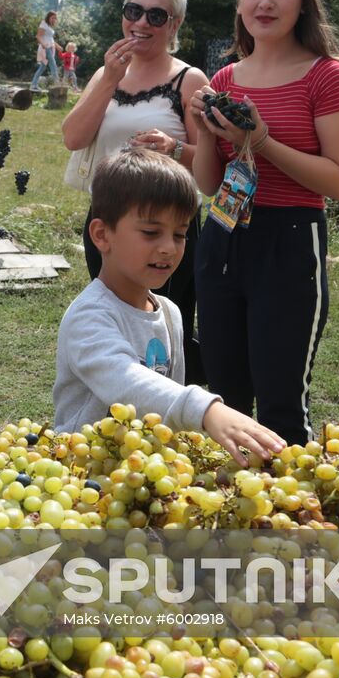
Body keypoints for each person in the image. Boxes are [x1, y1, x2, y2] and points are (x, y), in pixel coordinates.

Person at [189, 0, 339, 445]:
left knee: (282, 402)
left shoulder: (327, 75)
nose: (266, 3)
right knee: (225, 398)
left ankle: (287, 517)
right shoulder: (225, 78)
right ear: (240, 3)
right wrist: (205, 131)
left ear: (303, 1)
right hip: (221, 235)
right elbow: (206, 183)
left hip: (288, 241)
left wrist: (260, 142)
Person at [54, 148, 284, 464]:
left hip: (145, 477)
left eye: (180, 234)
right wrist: (205, 409)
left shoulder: (170, 313)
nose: (168, 248)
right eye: (151, 232)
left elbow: (165, 412)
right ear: (102, 235)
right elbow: (123, 380)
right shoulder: (90, 316)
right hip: (82, 480)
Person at [62, 0, 210, 385]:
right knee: (113, 318)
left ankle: (168, 409)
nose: (141, 23)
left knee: (162, 324)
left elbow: (214, 163)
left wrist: (174, 147)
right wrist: (109, 77)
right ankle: (114, 405)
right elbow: (73, 137)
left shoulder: (189, 80)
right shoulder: (107, 73)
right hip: (109, 220)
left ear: (174, 24)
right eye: (134, 11)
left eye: (156, 16)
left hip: (167, 224)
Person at [30, 10, 62, 91]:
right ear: (48, 17)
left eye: (55, 18)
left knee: (42, 67)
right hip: (46, 48)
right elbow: (38, 36)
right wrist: (43, 44)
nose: (54, 19)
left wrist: (58, 46)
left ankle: (34, 85)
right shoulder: (44, 23)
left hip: (51, 47)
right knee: (53, 64)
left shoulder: (50, 26)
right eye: (53, 17)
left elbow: (50, 38)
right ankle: (57, 83)